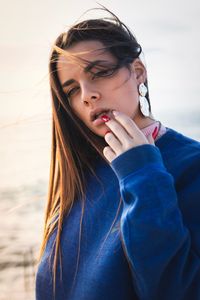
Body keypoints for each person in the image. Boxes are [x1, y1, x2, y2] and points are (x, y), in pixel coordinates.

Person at [35, 7, 200, 300]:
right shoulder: (79, 176)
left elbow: (178, 291)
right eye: (72, 90)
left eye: (100, 72)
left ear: (137, 72)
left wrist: (142, 174)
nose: (87, 95)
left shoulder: (192, 165)